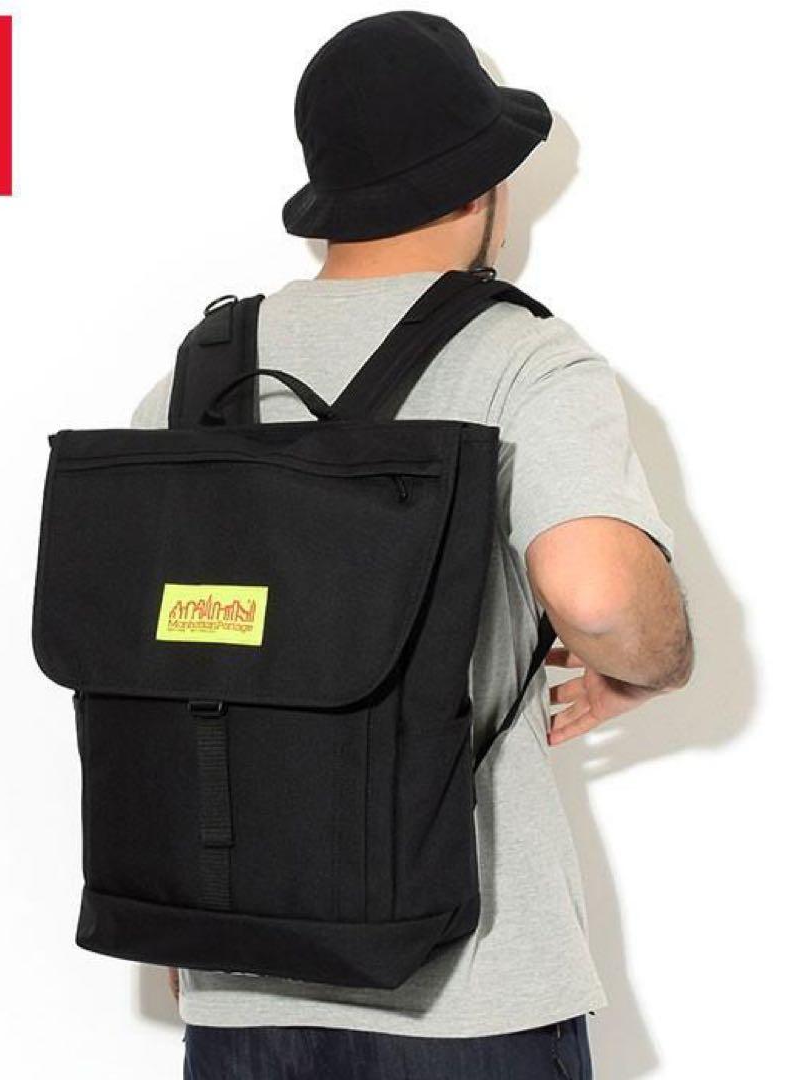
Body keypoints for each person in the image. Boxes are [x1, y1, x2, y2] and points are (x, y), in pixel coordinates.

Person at [131, 12, 694, 1079]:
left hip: (239, 992)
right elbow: (600, 597)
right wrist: (651, 666)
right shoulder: (523, 359)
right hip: (468, 1000)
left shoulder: (196, 378)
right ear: (482, 188)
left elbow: (147, 669)